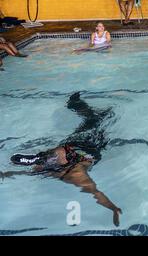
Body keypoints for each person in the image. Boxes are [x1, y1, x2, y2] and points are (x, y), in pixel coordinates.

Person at [0, 92, 122, 226]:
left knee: (94, 122)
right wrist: (113, 208)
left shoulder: (69, 175)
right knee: (95, 121)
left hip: (76, 150)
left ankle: (45, 155)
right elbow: (96, 194)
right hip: (77, 151)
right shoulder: (75, 177)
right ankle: (75, 107)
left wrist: (6, 174)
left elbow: (96, 194)